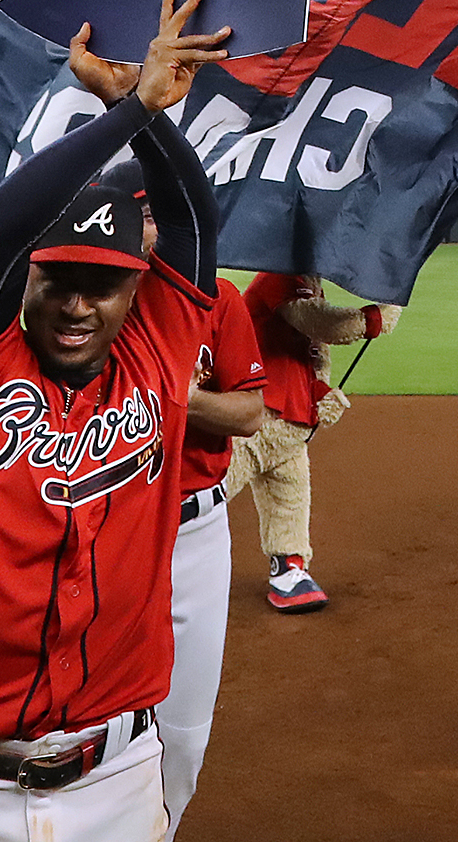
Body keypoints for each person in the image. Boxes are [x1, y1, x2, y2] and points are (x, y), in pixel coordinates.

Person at [0, 0, 230, 838]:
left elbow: (191, 215)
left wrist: (133, 99)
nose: (78, 304)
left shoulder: (155, 355)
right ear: (27, 281)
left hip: (118, 778)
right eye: (58, 280)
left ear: (138, 289)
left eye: (105, 283)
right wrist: (126, 110)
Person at [158, 268, 269, 831]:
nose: (151, 223)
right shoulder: (88, 299)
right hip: (104, 529)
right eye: (142, 211)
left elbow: (250, 413)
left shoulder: (218, 297)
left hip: (195, 531)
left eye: (160, 210)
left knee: (185, 734)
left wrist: (176, 397)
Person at [229, 270, 400, 612]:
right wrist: (371, 320)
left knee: (289, 498)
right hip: (254, 417)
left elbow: (311, 351)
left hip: (291, 422)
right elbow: (317, 323)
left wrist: (318, 392)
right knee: (202, 491)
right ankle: (148, 556)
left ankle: (288, 568)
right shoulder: (276, 279)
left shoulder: (307, 282)